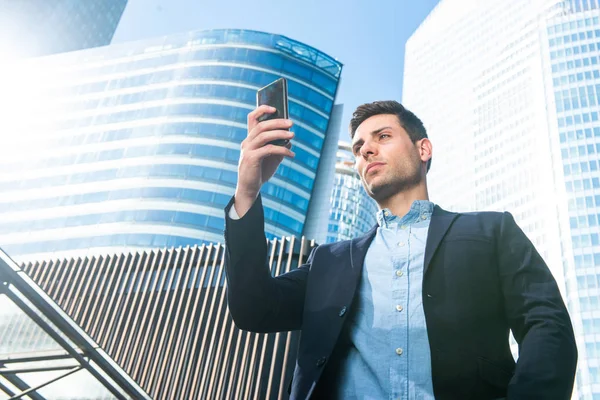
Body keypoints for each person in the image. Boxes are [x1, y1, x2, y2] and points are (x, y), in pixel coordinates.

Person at [223, 100, 577, 399]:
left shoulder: (491, 232)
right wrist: (248, 190)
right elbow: (254, 309)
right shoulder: (328, 261)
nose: (367, 150)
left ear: (423, 149)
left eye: (383, 137)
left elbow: (547, 326)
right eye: (360, 148)